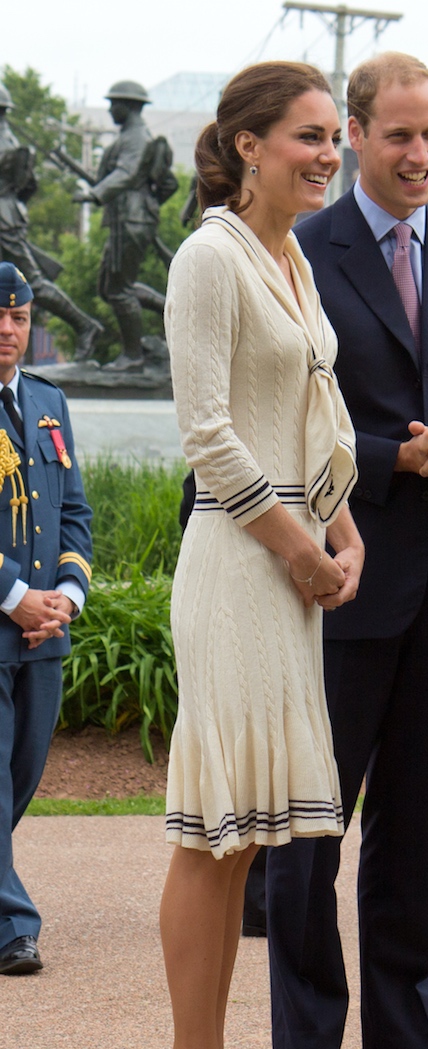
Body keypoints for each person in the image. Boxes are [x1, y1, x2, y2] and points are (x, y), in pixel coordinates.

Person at [265, 51, 428, 1049]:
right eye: (399, 134)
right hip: (342, 578)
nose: (421, 154)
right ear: (355, 134)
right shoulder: (300, 253)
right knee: (313, 830)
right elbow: (278, 421)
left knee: (417, 835)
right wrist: (393, 456)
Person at [155, 61, 362, 1049]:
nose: (329, 152)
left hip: (289, 568)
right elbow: (209, 432)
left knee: (242, 848)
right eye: (309, 136)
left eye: (334, 135)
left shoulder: (289, 258)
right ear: (247, 146)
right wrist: (298, 547)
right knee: (212, 834)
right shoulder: (210, 255)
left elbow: (311, 406)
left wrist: (344, 526)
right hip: (238, 569)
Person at [0, 261, 92, 975]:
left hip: (43, 635)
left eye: (21, 317)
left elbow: (74, 515)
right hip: (3, 619)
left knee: (22, 773)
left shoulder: (49, 402)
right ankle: (13, 926)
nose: (9, 330)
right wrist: (13, 594)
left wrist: (65, 595)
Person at [73, 81, 175, 371]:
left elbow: (127, 173)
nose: (110, 109)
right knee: (110, 287)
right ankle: (173, 310)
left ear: (129, 106)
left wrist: (94, 193)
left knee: (119, 290)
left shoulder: (136, 138)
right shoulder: (130, 136)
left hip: (131, 218)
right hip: (125, 218)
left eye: (114, 103)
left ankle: (132, 357)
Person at [0, 88, 103, 361]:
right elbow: (29, 186)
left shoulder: (6, 145)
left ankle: (84, 326)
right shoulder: (14, 145)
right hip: (9, 214)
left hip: (3, 218)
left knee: (33, 281)